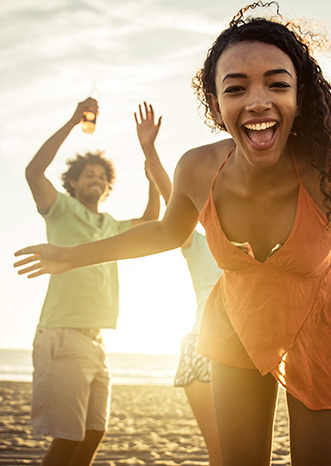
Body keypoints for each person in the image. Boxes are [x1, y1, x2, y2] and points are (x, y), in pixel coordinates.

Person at [15, 6, 331, 465]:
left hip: (323, 322)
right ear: (215, 103)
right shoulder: (196, 168)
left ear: (299, 96)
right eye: (236, 88)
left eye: (277, 84)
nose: (257, 102)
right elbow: (166, 232)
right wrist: (70, 255)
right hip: (236, 320)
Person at [24, 97, 162, 466]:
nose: (96, 179)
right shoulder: (60, 209)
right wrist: (72, 120)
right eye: (88, 174)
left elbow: (153, 220)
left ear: (107, 186)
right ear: (72, 182)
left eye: (102, 176)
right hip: (63, 335)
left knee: (94, 434)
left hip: (97, 340)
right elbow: (34, 172)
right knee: (67, 441)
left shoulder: (112, 226)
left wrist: (151, 176)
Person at [136, 102, 222, 465]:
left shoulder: (256, 246)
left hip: (247, 349)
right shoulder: (197, 241)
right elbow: (174, 197)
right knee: (221, 451)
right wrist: (150, 150)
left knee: (242, 452)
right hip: (202, 347)